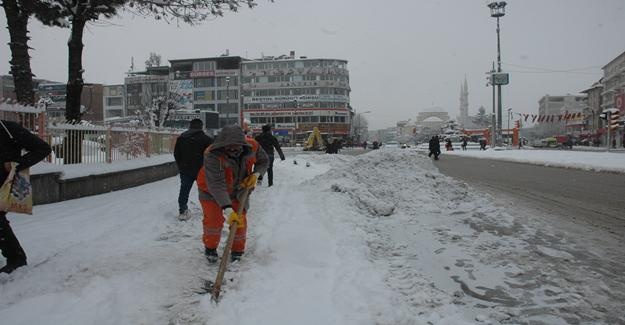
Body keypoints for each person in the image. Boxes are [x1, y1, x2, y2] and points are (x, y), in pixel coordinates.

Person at [196, 125, 268, 263]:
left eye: (237, 146)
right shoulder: (212, 154)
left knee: (240, 221)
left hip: (239, 190)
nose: (233, 149)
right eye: (229, 147)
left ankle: (237, 251)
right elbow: (216, 184)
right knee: (213, 221)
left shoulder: (253, 146)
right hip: (210, 191)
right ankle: (210, 248)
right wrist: (228, 209)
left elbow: (264, 161)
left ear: (243, 143)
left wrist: (256, 174)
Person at [0, 120, 51, 274]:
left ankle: (16, 258)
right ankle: (16, 257)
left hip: (4, 183)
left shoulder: (8, 129)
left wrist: (16, 165)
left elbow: (43, 149)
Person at [173, 119, 213, 221]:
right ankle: (210, 210)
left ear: (190, 126)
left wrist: (181, 166)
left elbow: (177, 154)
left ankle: (183, 211)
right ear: (201, 127)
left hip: (186, 170)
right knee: (206, 191)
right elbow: (212, 155)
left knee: (184, 190)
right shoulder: (207, 140)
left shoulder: (182, 138)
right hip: (202, 170)